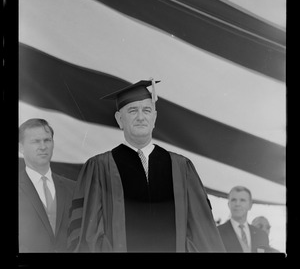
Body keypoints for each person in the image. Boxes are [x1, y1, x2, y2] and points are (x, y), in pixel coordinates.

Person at [67, 79, 225, 252]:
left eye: (147, 110)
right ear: (120, 119)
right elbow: (88, 235)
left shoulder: (181, 167)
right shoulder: (99, 168)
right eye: (133, 111)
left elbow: (202, 232)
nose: (141, 117)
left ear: (154, 118)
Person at [19, 118, 75, 252]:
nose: (43, 147)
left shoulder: (73, 188)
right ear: (21, 147)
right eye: (35, 141)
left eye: (47, 140)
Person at [217, 186, 270, 253]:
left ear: (250, 205)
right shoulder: (216, 233)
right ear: (228, 204)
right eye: (233, 200)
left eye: (242, 200)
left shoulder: (262, 236)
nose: (237, 204)